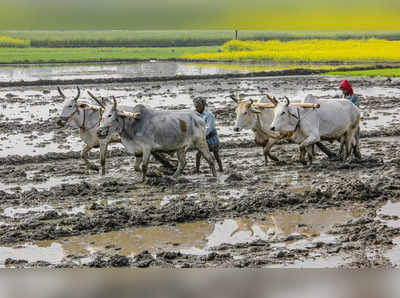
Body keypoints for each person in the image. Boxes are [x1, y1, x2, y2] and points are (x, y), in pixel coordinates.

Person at [193, 97, 223, 172]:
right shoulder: (197, 114)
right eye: (195, 106)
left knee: (215, 154)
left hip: (211, 137)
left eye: (198, 106)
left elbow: (209, 128)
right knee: (199, 154)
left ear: (203, 105)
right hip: (204, 136)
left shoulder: (209, 115)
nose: (196, 108)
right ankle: (197, 170)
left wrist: (201, 136)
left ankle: (220, 168)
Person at [339, 79, 361, 158]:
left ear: (348, 89)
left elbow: (356, 109)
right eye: (342, 90)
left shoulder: (354, 97)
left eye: (344, 89)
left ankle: (356, 151)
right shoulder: (342, 97)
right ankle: (343, 153)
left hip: (353, 121)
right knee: (343, 139)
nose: (343, 91)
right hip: (344, 121)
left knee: (355, 139)